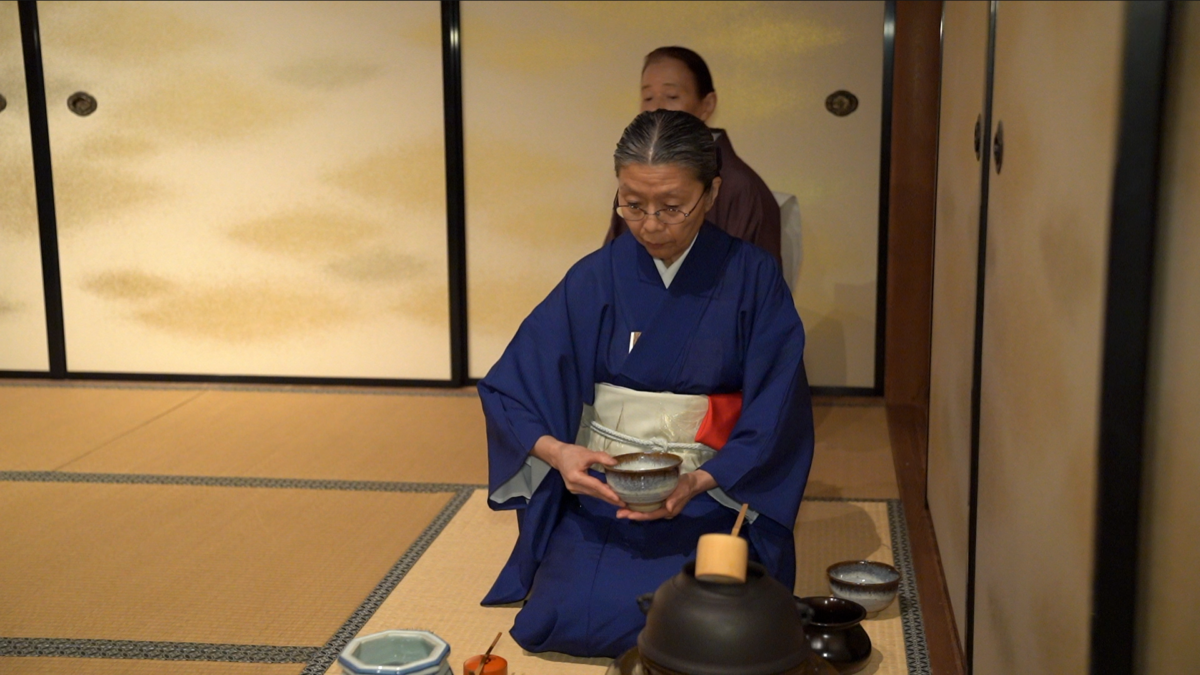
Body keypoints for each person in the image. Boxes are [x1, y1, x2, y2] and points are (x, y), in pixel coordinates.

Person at [480, 110, 814, 659]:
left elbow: (777, 411)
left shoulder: (754, 279)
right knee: (559, 619)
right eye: (632, 204)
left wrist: (700, 480)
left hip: (711, 494)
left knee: (702, 628)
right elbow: (511, 387)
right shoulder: (595, 276)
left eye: (672, 206)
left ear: (711, 194)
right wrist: (561, 454)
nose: (651, 224)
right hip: (603, 495)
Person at [604, 46, 783, 267]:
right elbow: (611, 269)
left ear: (707, 105)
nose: (657, 108)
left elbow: (753, 287)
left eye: (672, 96)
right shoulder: (638, 175)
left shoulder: (740, 187)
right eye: (648, 97)